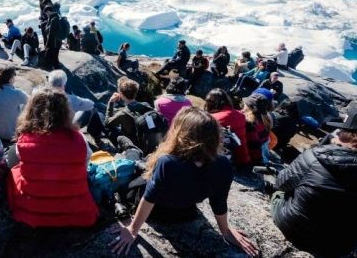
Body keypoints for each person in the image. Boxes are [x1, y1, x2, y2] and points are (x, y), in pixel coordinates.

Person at [110, 107, 258, 256]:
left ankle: (126, 146)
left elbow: (149, 197)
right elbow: (218, 202)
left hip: (157, 213)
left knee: (133, 162)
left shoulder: (167, 162)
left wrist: (133, 229)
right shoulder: (223, 165)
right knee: (140, 162)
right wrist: (225, 231)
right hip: (186, 213)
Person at [271, 103, 357, 257]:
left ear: (352, 135)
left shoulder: (317, 155)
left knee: (279, 194)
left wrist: (326, 147)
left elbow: (281, 183)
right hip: (339, 247)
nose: (339, 131)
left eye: (343, 129)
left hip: (296, 229)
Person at [7, 88, 98, 227]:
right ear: (65, 112)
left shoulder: (24, 140)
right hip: (77, 213)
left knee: (14, 170)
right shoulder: (80, 140)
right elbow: (85, 165)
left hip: (32, 214)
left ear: (32, 111)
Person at [47, 69, 103, 138]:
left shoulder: (40, 97)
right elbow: (91, 104)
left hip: (47, 130)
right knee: (92, 109)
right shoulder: (71, 99)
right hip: (64, 132)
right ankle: (97, 137)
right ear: (64, 84)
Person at [104, 77, 155, 148]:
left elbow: (107, 123)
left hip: (135, 145)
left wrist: (111, 102)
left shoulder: (123, 113)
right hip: (148, 140)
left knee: (109, 129)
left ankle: (121, 149)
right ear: (136, 92)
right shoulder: (146, 105)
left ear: (121, 94)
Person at [205, 89, 250, 166]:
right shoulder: (241, 115)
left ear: (210, 103)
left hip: (224, 160)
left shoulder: (214, 118)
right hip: (242, 157)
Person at [0, 67, 29, 145]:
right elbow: (32, 101)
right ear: (10, 79)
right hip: (10, 136)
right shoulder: (17, 93)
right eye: (14, 75)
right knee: (25, 106)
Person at [242, 93, 271, 165]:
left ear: (251, 107)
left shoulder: (250, 123)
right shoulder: (264, 119)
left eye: (246, 103)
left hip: (251, 158)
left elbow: (254, 146)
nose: (244, 103)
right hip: (261, 153)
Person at [43, 5, 62, 70]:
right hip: (57, 42)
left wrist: (47, 45)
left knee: (49, 57)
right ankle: (57, 73)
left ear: (48, 11)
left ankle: (55, 74)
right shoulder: (55, 17)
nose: (46, 14)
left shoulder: (54, 19)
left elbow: (51, 33)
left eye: (46, 13)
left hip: (54, 43)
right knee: (55, 58)